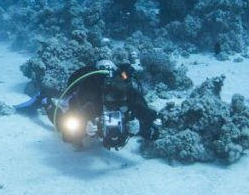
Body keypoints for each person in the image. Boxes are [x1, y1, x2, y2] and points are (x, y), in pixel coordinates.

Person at [21, 60, 160, 149]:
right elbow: (67, 135)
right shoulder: (89, 96)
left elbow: (154, 131)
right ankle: (45, 100)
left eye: (117, 89)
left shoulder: (128, 94)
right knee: (62, 125)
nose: (113, 95)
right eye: (108, 89)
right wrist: (82, 128)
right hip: (89, 111)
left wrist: (140, 128)